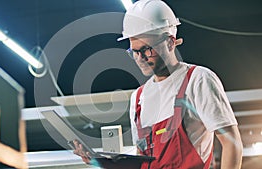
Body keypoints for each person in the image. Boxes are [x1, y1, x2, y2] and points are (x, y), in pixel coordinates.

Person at [74, 0, 243, 168]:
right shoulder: (138, 98)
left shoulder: (197, 79)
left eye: (147, 49)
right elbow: (143, 160)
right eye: (134, 51)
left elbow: (232, 143)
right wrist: (106, 163)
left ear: (170, 42)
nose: (140, 58)